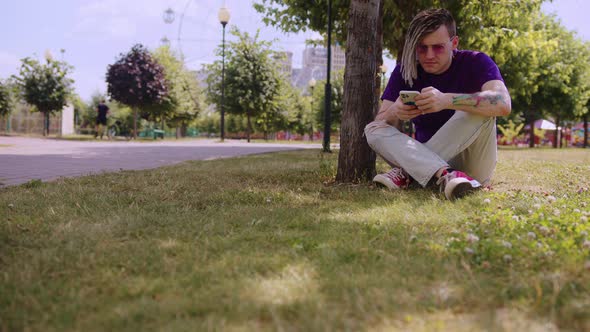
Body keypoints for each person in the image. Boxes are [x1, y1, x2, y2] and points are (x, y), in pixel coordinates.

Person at [364, 8, 511, 200]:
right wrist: (394, 111)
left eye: (438, 47)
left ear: (454, 43)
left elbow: (502, 103)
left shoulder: (476, 62)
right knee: (373, 129)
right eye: (421, 47)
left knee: (477, 109)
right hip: (423, 159)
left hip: (471, 162)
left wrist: (447, 100)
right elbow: (381, 121)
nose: (429, 55)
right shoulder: (405, 69)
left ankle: (407, 174)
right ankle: (445, 174)